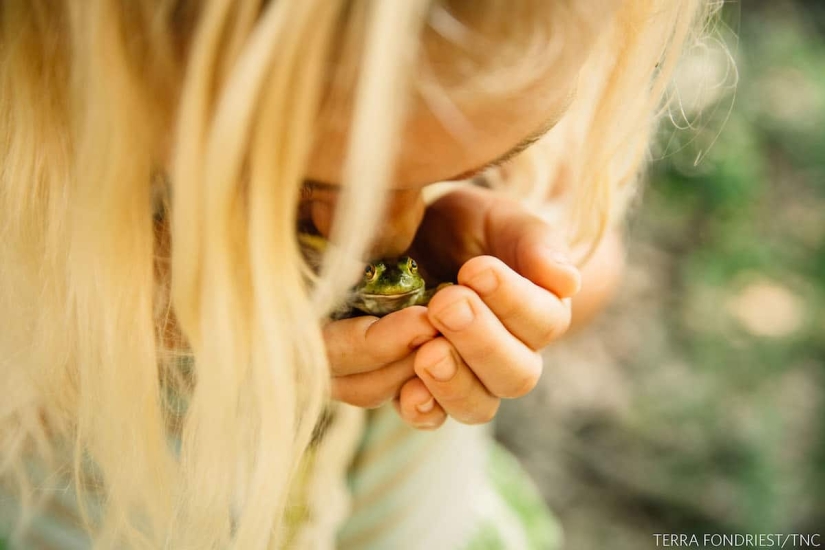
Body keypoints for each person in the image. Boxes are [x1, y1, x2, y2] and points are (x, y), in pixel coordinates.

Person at [0, 0, 718, 548]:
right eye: (302, 179)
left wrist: (526, 286)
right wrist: (136, 304)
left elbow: (591, 267)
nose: (385, 236)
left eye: (466, 171)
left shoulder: (516, 48)